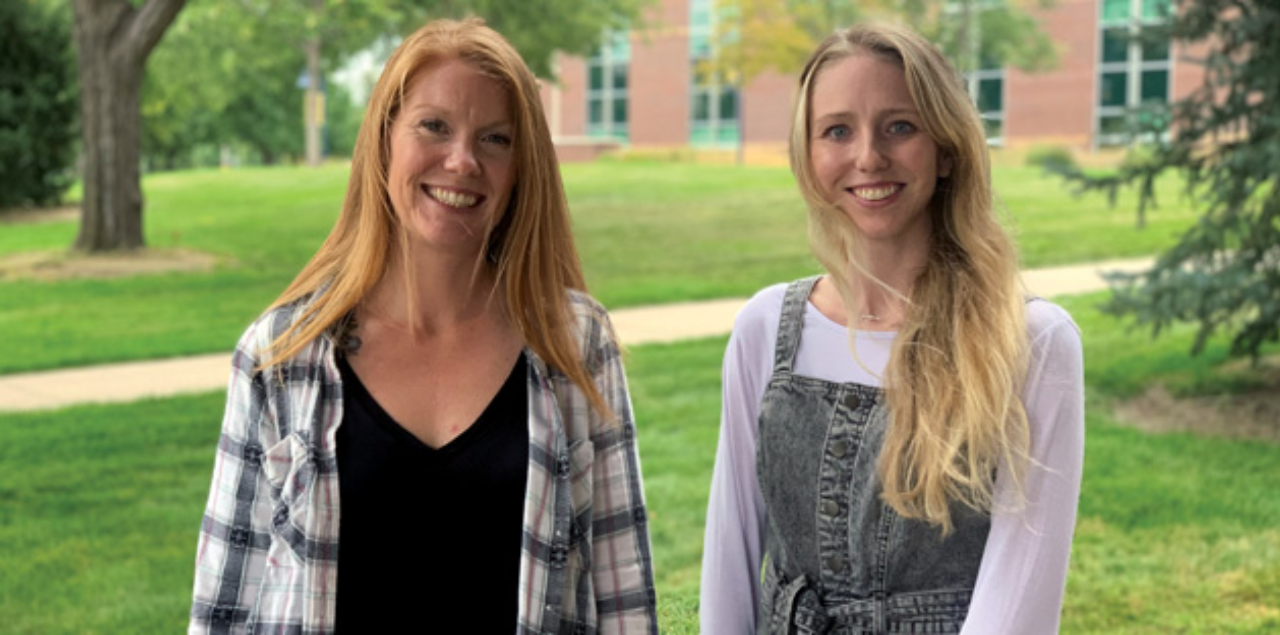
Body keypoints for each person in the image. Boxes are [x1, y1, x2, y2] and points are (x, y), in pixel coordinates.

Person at [189, 18, 657, 634]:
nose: (462, 160)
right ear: (385, 141)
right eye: (434, 126)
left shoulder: (575, 342)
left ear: (522, 170)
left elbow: (624, 603)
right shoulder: (282, 356)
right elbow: (223, 610)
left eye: (495, 139)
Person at [699, 22, 1084, 634]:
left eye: (900, 127)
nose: (868, 156)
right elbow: (732, 558)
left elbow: (1020, 597)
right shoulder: (766, 330)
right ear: (809, 154)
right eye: (837, 130)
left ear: (947, 149)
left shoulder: (1030, 342)